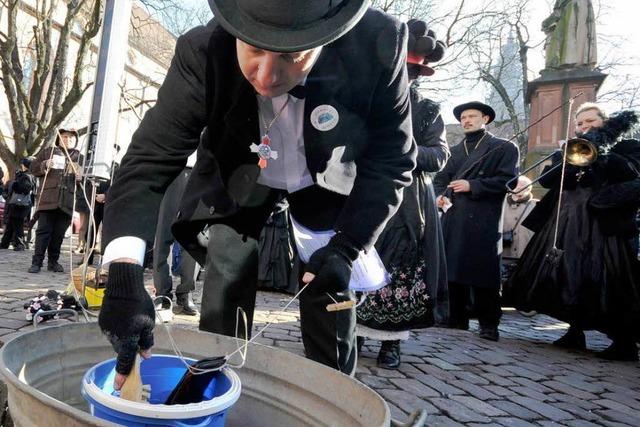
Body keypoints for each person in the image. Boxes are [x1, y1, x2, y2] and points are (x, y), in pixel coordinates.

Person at [98, 0, 415, 387]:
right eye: (252, 48)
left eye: (291, 55)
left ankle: (334, 393)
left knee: (329, 285)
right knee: (227, 272)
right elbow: (150, 159)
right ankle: (212, 388)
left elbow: (391, 160)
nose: (266, 77)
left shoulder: (378, 44)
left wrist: (348, 247)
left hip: (324, 181)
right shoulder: (202, 52)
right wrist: (123, 273)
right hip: (239, 176)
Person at [505, 103, 640, 361]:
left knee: (606, 279)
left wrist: (602, 152)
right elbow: (545, 182)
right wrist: (563, 156)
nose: (584, 127)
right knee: (567, 274)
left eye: (590, 121)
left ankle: (624, 341)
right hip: (567, 223)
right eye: (579, 123)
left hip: (603, 227)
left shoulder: (627, 147)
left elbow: (631, 177)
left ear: (605, 121)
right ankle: (574, 330)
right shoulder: (570, 148)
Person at [356, 19, 449, 369]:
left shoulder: (428, 111)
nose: (404, 76)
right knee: (362, 257)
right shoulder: (369, 101)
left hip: (409, 200)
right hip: (366, 190)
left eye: (411, 71)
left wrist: (401, 148)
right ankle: (356, 330)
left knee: (398, 266)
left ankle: (392, 343)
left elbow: (438, 156)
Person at [433, 101, 519, 342]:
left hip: (484, 217)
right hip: (454, 215)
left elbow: (508, 181)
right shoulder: (454, 150)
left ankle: (489, 324)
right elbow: (440, 179)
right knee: (453, 266)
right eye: (463, 117)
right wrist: (439, 196)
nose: (466, 120)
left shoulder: (504, 147)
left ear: (485, 119)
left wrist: (474, 185)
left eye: (472, 116)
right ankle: (456, 318)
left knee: (483, 270)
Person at [28, 128, 84, 274]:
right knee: (43, 232)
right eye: (64, 137)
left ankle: (53, 262)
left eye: (71, 138)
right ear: (59, 138)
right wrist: (45, 164)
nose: (68, 140)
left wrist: (81, 178)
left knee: (58, 235)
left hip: (67, 202)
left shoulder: (80, 157)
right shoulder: (48, 152)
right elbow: (33, 168)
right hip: (48, 200)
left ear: (76, 141)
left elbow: (87, 181)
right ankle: (37, 262)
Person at [153, 154, 199, 316]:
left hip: (200, 171)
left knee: (193, 238)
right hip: (172, 168)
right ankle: (162, 293)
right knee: (164, 236)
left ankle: (186, 292)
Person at [500, 176, 538, 284]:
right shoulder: (500, 204)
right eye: (517, 185)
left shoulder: (536, 205)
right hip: (504, 256)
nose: (519, 188)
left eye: (523, 186)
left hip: (526, 257)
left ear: (529, 189)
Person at [0, 158, 35, 251]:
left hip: (21, 204)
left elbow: (25, 189)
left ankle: (20, 244)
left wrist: (15, 184)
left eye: (22, 164)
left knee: (18, 223)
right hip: (17, 203)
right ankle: (4, 243)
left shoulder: (28, 176)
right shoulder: (24, 175)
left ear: (25, 165)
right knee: (11, 224)